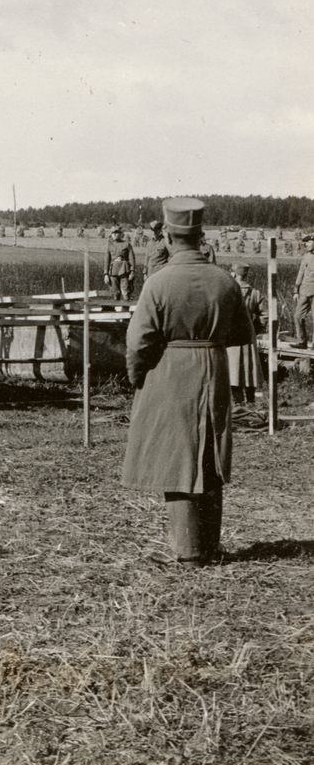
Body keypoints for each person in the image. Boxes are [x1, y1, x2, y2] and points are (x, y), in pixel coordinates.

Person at [122, 197, 253, 566]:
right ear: (200, 235)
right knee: (210, 454)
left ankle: (189, 551)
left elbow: (137, 343)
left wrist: (139, 378)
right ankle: (209, 545)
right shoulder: (225, 280)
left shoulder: (158, 283)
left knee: (176, 457)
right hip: (214, 368)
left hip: (169, 372)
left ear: (166, 235)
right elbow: (243, 333)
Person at [227, 264, 267, 403]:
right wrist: (255, 329)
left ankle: (237, 402)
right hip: (249, 332)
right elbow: (264, 315)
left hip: (230, 333)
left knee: (233, 368)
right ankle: (250, 401)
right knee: (250, 367)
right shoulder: (255, 292)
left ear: (233, 274)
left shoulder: (228, 291)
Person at [292, 235, 314, 348]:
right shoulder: (306, 256)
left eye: (309, 242)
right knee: (298, 316)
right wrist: (296, 290)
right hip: (304, 291)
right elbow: (301, 273)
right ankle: (301, 341)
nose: (306, 245)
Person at [104, 225, 136, 300]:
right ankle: (115, 311)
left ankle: (125, 310)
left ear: (121, 233)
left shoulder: (127, 244)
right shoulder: (109, 245)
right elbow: (107, 260)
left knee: (126, 292)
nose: (114, 234)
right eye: (112, 233)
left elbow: (132, 259)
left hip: (124, 271)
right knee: (115, 293)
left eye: (116, 232)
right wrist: (106, 274)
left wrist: (132, 272)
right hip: (113, 271)